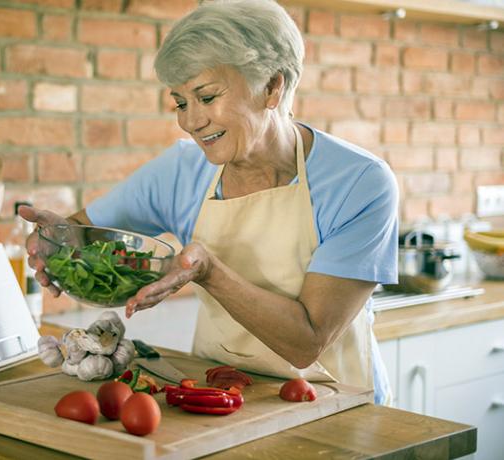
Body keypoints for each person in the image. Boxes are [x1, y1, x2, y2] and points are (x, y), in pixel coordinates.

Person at [20, 0, 398, 405]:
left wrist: (209, 272)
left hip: (336, 404)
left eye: (206, 97)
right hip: (218, 396)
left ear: (273, 87)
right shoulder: (181, 171)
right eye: (181, 102)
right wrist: (57, 245)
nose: (191, 121)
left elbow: (308, 342)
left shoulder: (359, 183)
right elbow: (84, 235)